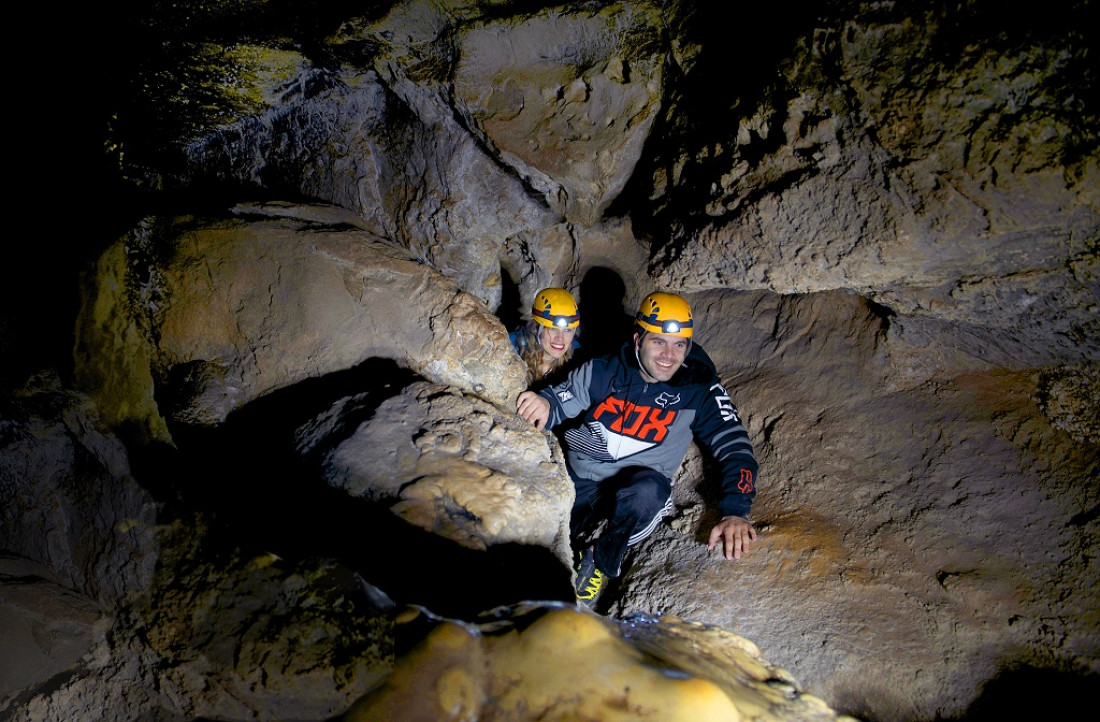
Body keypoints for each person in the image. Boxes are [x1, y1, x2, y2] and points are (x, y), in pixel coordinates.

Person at [516, 291, 758, 607]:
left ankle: (599, 559)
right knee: (541, 546)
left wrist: (736, 510)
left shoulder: (700, 388)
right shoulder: (604, 369)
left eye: (679, 344)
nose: (669, 355)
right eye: (659, 341)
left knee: (651, 493)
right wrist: (544, 402)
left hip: (637, 490)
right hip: (578, 481)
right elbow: (563, 398)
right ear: (638, 339)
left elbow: (735, 447)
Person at [510, 288, 581, 389]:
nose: (560, 338)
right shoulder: (511, 349)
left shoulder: (579, 360)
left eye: (567, 330)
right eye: (553, 329)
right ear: (536, 328)